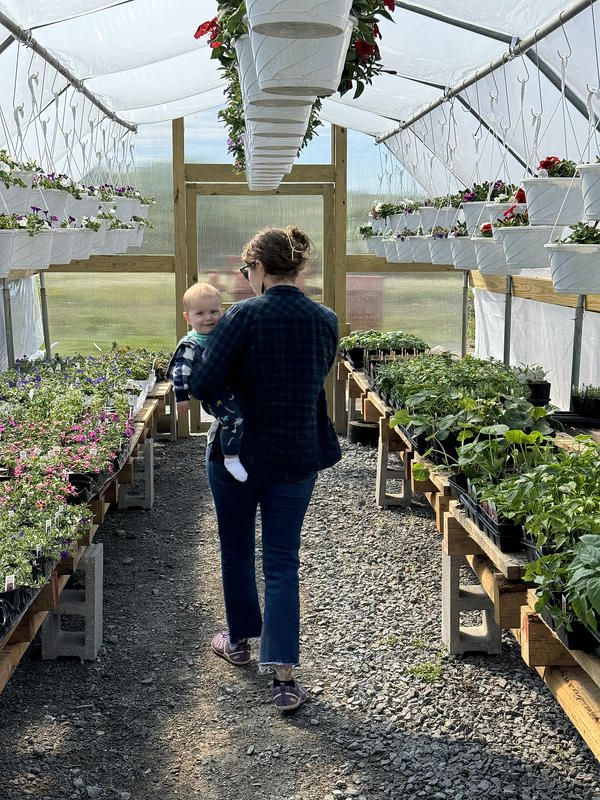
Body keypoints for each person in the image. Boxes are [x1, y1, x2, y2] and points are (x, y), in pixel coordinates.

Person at [188, 225, 341, 711]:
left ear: (255, 268)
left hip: (239, 454)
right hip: (297, 456)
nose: (245, 278)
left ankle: (237, 642)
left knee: (235, 549)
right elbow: (311, 379)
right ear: (300, 269)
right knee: (282, 561)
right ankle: (284, 678)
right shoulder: (325, 319)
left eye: (245, 270)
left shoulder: (241, 316)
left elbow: (202, 383)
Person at [167, 282, 248, 482]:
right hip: (214, 393)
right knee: (233, 419)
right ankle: (231, 458)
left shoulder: (222, 335)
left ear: (222, 311)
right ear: (188, 318)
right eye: (200, 313)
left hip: (229, 388)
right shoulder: (191, 344)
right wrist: (182, 397)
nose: (208, 318)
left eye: (213, 311)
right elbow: (181, 372)